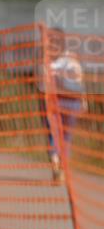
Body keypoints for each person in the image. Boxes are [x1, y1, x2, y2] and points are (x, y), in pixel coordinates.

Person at [44, 27, 87, 182]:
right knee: (64, 136)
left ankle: (58, 161)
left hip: (62, 102)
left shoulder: (53, 62)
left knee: (57, 135)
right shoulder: (70, 59)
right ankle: (60, 163)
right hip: (69, 102)